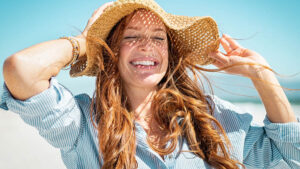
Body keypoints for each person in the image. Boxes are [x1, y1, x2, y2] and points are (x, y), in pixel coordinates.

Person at [1, 0, 299, 168]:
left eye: (159, 38)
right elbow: (21, 70)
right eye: (131, 37)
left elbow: (290, 154)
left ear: (169, 54)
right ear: (112, 51)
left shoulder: (210, 118)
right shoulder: (82, 124)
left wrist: (262, 75)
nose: (146, 46)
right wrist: (85, 41)